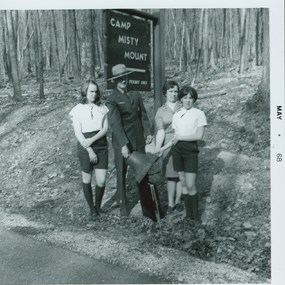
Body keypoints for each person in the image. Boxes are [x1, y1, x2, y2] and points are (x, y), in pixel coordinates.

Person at [106, 64, 153, 216]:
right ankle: (123, 208)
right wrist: (124, 144)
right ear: (115, 81)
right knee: (121, 174)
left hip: (139, 139)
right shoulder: (112, 99)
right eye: (119, 79)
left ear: (127, 77)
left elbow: (143, 115)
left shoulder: (135, 93)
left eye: (124, 77)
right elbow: (115, 124)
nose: (123, 81)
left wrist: (148, 132)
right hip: (122, 142)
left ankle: (148, 209)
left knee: (143, 172)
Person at [159, 86, 207, 222]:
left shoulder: (199, 114)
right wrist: (162, 149)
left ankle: (196, 217)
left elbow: (199, 135)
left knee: (191, 184)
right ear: (181, 99)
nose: (188, 100)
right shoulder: (177, 115)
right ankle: (188, 216)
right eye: (185, 97)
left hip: (191, 150)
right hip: (177, 151)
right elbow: (175, 137)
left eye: (190, 98)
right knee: (184, 184)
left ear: (194, 99)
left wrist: (180, 138)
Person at [69, 80, 109, 221]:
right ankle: (92, 209)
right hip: (85, 145)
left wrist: (93, 141)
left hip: (101, 144)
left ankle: (98, 206)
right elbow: (78, 134)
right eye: (91, 91)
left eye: (96, 91)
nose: (94, 94)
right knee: (86, 178)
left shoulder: (102, 108)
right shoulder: (77, 110)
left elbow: (105, 129)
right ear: (85, 91)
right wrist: (90, 149)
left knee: (101, 180)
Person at [154, 80, 183, 214]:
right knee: (171, 174)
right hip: (168, 142)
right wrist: (158, 148)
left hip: (183, 141)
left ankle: (178, 201)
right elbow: (160, 131)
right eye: (170, 91)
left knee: (180, 173)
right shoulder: (160, 111)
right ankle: (170, 203)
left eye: (175, 91)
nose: (173, 94)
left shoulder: (183, 107)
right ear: (165, 93)